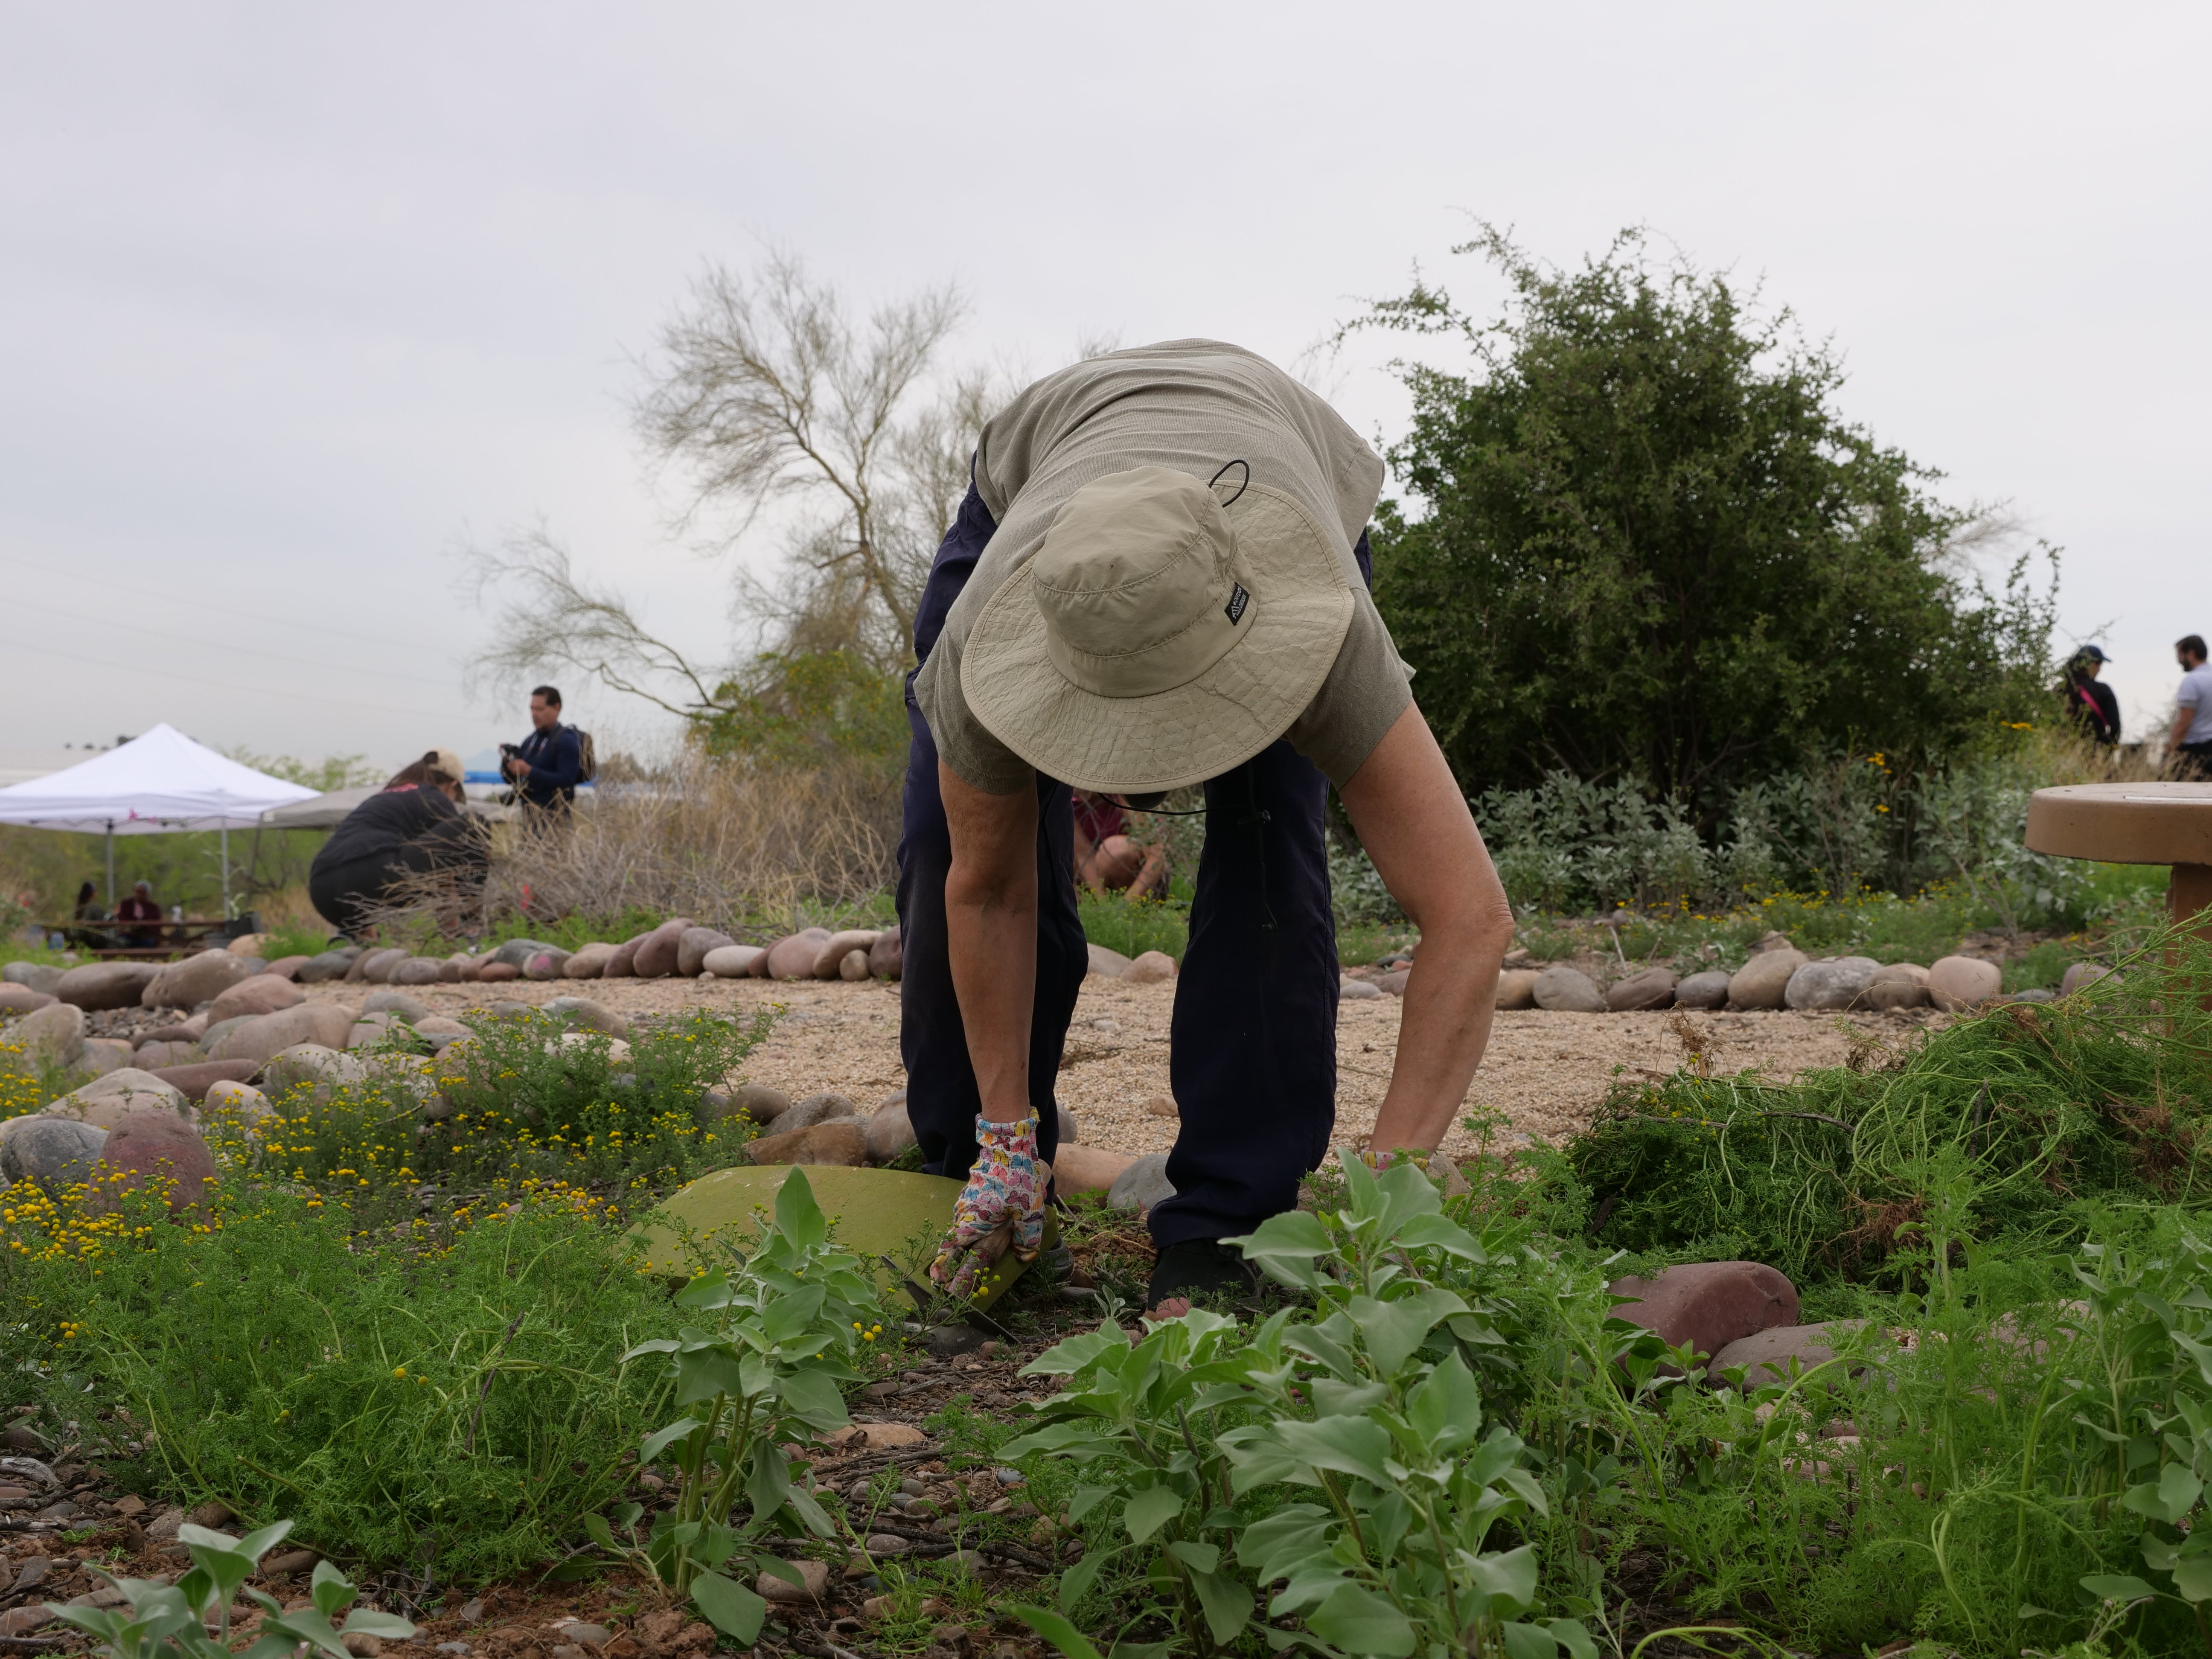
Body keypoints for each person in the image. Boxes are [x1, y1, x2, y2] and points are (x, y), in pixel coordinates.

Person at [898, 339, 1514, 1312]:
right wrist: (1004, 1134)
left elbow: (1468, 916)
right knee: (946, 844)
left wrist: (1390, 1184)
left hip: (1279, 474)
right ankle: (982, 1182)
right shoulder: (984, 645)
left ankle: (1229, 1224)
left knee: (1268, 841)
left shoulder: (1327, 629)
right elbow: (986, 888)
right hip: (1038, 485)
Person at [308, 751, 489, 938]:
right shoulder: (433, 795)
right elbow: (447, 875)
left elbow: (354, 870)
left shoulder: (382, 798)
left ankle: (356, 941)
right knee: (473, 823)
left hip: (322, 891)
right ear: (452, 786)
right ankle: (473, 928)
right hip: (375, 874)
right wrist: (454, 934)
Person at [1072, 790, 1169, 900]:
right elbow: (1084, 855)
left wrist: (1127, 904)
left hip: (1142, 876)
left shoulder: (1125, 793)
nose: (1072, 789)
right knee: (1064, 855)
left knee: (1113, 849)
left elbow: (1157, 859)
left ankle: (1138, 900)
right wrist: (1103, 904)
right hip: (1100, 874)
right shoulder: (1069, 803)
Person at [502, 685, 583, 809]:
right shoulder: (530, 741)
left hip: (556, 819)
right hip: (530, 819)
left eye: (539, 709)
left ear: (556, 708)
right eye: (532, 709)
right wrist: (507, 764)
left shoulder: (566, 740)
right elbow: (512, 780)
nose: (534, 714)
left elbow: (567, 780)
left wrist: (530, 771)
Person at [2060, 646, 2120, 746]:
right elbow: (2115, 727)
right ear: (2091, 664)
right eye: (2099, 664)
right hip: (2092, 753)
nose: (2099, 670)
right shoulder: (2103, 690)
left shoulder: (2060, 689)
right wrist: (2106, 751)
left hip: (2060, 751)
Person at [2173, 635, 2212, 778]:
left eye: (2180, 655)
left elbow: (2184, 722)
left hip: (2196, 751)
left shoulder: (2192, 681)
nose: (2178, 660)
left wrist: (2170, 749)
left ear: (2191, 654)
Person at [114, 879, 161, 950]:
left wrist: (144, 926)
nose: (139, 895)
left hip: (146, 936)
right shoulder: (126, 904)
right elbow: (122, 919)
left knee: (149, 943)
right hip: (128, 935)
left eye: (142, 893)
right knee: (123, 942)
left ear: (147, 894)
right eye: (137, 892)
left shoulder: (152, 907)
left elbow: (156, 924)